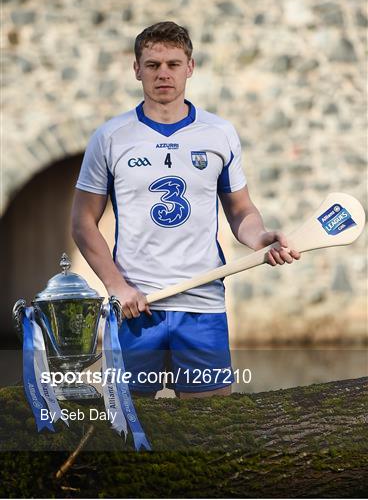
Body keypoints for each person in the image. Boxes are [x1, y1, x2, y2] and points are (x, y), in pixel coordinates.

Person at [71, 21, 300, 399]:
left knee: (210, 437)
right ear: (136, 69)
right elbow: (82, 221)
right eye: (153, 64)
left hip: (202, 307)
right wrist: (117, 286)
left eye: (174, 64)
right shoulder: (111, 137)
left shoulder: (219, 133)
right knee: (128, 436)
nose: (163, 74)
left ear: (190, 67)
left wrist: (261, 238)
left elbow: (241, 211)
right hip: (136, 310)